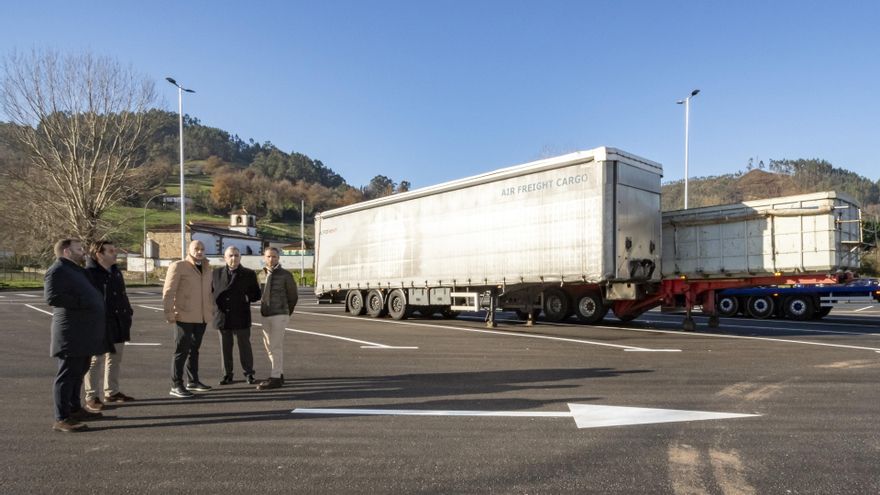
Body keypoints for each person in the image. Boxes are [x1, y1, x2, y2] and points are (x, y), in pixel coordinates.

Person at [44, 238, 108, 432]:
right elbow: (52, 297)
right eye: (78, 249)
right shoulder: (57, 270)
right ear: (66, 251)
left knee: (79, 372)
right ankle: (61, 418)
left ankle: (74, 409)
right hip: (70, 333)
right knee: (67, 375)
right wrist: (83, 302)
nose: (82, 251)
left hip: (83, 332)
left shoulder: (75, 270)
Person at [83, 240, 135, 412]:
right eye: (111, 251)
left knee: (114, 358)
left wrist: (128, 312)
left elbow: (122, 295)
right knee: (95, 360)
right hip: (99, 323)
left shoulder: (115, 271)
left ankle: (111, 392)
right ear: (99, 254)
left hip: (119, 321)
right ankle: (92, 396)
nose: (115, 253)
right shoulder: (90, 273)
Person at [162, 240, 213, 398]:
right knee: (181, 351)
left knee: (194, 350)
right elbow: (169, 291)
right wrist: (169, 313)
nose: (199, 251)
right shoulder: (178, 266)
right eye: (196, 248)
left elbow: (209, 292)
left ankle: (193, 381)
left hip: (202, 317)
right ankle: (176, 384)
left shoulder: (207, 268)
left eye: (202, 249)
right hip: (183, 315)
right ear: (189, 250)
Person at [213, 246, 261, 385]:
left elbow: (257, 294)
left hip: (241, 316)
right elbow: (209, 292)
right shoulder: (215, 273)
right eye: (230, 255)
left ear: (240, 257)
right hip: (222, 317)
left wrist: (247, 297)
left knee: (244, 346)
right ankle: (227, 375)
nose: (233, 258)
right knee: (225, 348)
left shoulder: (249, 273)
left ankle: (249, 373)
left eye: (236, 255)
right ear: (225, 258)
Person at [256, 247, 298, 390]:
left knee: (276, 345)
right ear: (264, 257)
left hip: (279, 314)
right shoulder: (261, 274)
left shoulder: (286, 275)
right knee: (268, 346)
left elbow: (293, 296)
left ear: (278, 258)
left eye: (274, 256)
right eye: (268, 256)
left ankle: (275, 377)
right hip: (265, 314)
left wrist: (286, 313)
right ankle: (278, 373)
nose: (271, 259)